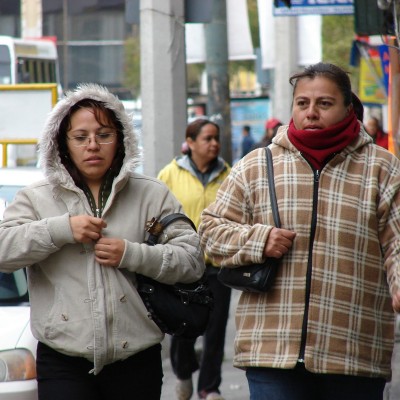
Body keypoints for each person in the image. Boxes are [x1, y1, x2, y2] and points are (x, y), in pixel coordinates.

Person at [199, 62, 400, 400]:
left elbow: (396, 242)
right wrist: (259, 240)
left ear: (348, 108)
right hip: (271, 350)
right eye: (302, 103)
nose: (311, 112)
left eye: (324, 103)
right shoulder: (256, 165)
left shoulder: (382, 168)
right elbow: (209, 232)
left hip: (353, 348)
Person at [0, 83, 205, 400]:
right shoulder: (36, 197)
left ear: (121, 138)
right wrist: (61, 229)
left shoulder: (152, 193)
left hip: (137, 359)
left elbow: (192, 261)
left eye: (104, 134)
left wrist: (132, 254)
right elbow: (3, 250)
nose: (92, 145)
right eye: (80, 137)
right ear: (62, 144)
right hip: (62, 359)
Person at [158, 119, 231, 400]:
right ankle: (184, 373)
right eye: (207, 138)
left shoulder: (229, 175)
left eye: (216, 138)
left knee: (216, 329)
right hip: (183, 266)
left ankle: (209, 387)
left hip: (218, 266)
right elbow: (156, 217)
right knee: (183, 327)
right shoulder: (169, 174)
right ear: (190, 142)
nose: (214, 144)